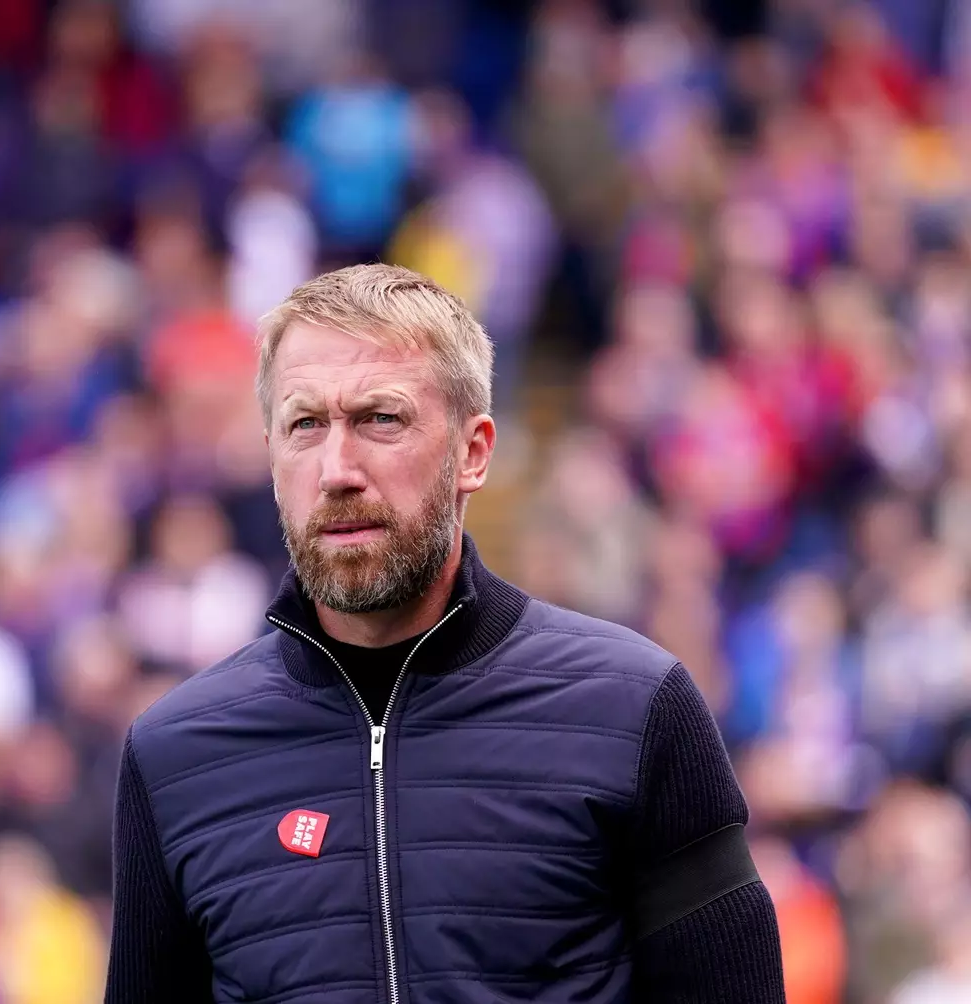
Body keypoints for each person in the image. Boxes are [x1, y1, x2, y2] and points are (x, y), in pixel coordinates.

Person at [104, 264, 785, 1002]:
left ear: (474, 452)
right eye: (305, 425)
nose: (338, 470)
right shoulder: (174, 756)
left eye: (380, 419)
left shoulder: (635, 709)